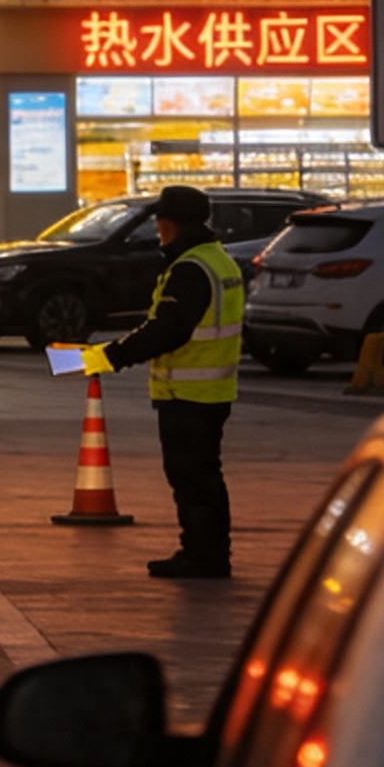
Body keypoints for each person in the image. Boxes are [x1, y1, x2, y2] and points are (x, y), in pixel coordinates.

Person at [78, 184, 241, 579]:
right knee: (203, 476)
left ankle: (202, 557)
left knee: (192, 478)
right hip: (213, 390)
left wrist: (107, 356)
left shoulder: (189, 269)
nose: (157, 229)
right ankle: (209, 553)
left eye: (159, 222)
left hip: (188, 393)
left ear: (169, 223)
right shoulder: (219, 261)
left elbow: (167, 331)